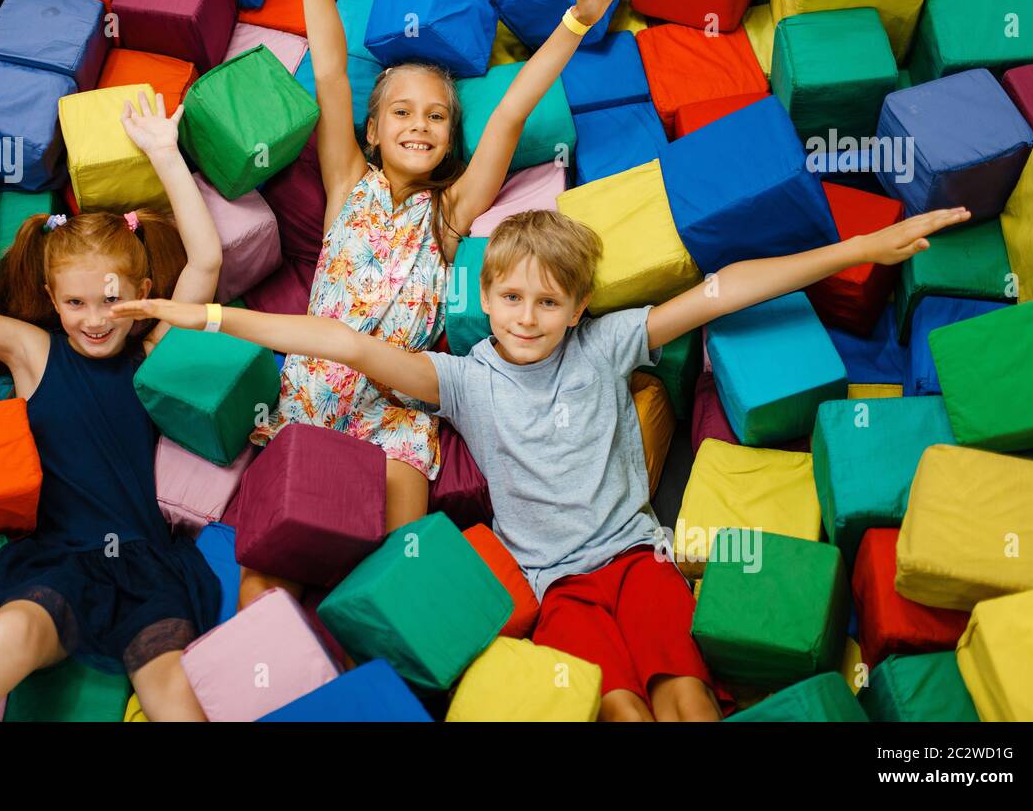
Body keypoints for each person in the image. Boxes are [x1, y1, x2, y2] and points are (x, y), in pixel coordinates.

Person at [111, 203, 972, 721]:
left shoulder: (609, 343)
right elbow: (340, 341)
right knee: (616, 707)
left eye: (548, 301)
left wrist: (863, 248)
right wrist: (210, 316)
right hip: (555, 587)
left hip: (640, 559)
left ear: (578, 305)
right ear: (485, 298)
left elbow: (725, 288)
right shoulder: (463, 377)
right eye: (512, 297)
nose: (527, 316)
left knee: (684, 699)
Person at [244, 0, 632, 607]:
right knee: (268, 573)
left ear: (450, 137)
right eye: (401, 112)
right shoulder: (346, 183)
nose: (418, 125)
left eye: (436, 116)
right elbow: (331, 70)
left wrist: (577, 22)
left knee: (400, 580)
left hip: (395, 413)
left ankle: (385, 652)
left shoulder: (448, 214)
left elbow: (512, 112)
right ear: (373, 130)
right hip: (314, 396)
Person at [0, 93, 224, 721]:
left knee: (171, 689)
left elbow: (206, 259)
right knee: (4, 638)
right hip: (60, 559)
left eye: (112, 300)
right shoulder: (31, 352)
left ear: (145, 292)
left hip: (149, 565)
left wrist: (165, 154)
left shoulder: (156, 350)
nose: (95, 320)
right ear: (51, 297)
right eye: (75, 304)